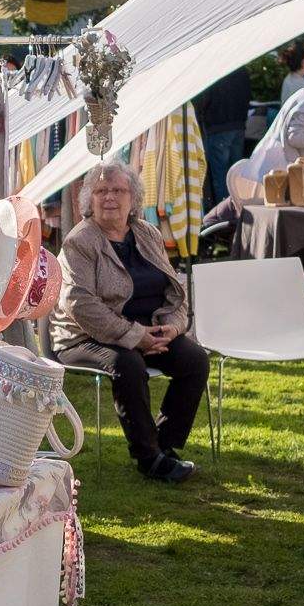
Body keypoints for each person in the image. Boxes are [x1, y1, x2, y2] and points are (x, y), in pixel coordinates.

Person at [52, 160, 208, 485]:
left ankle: (164, 444)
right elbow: (80, 305)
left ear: (133, 198)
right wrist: (134, 336)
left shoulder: (147, 233)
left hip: (148, 331)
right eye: (101, 191)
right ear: (89, 200)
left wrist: (173, 327)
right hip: (84, 338)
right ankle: (148, 458)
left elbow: (174, 290)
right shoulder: (79, 242)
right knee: (129, 364)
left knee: (194, 360)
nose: (110, 197)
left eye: (118, 190)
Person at [194, 64, 252, 210]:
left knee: (221, 179)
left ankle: (225, 214)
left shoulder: (215, 70)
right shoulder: (242, 69)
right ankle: (240, 211)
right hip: (238, 126)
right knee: (237, 176)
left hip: (218, 127)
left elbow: (204, 102)